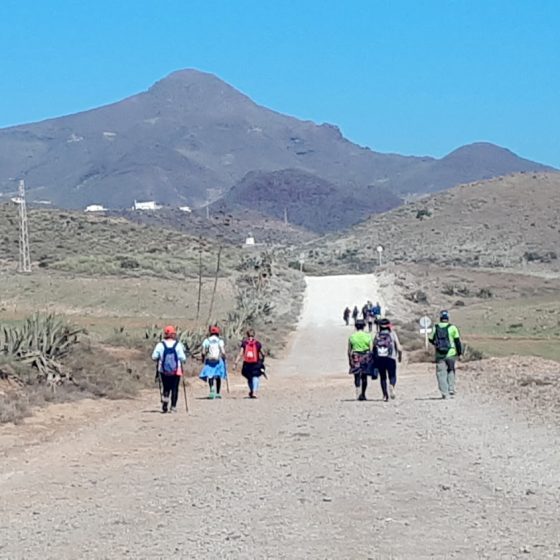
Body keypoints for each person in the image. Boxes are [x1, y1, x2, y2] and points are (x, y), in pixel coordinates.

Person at [151, 325, 188, 413]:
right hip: (176, 370)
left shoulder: (160, 345)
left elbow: (154, 357)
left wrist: (160, 358)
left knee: (166, 387)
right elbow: (183, 358)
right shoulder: (178, 345)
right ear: (173, 334)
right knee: (175, 388)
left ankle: (165, 404)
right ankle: (173, 407)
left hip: (163, 370)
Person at [429, 310, 462, 399]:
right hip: (451, 353)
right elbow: (457, 342)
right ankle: (451, 388)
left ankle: (444, 392)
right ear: (447, 318)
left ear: (440, 318)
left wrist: (437, 345)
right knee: (451, 370)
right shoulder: (453, 328)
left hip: (440, 354)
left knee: (441, 373)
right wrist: (459, 353)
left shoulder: (435, 327)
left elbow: (430, 339)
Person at [372, 318, 402, 402]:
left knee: (383, 377)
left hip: (380, 359)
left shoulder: (377, 335)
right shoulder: (392, 334)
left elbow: (373, 348)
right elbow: (399, 348)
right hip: (391, 358)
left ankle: (385, 395)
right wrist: (399, 357)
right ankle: (392, 385)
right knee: (392, 375)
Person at [234, 328, 265, 398]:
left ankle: (251, 390)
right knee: (256, 377)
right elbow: (263, 353)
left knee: (249, 378)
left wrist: (235, 362)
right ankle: (254, 392)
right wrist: (262, 360)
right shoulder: (257, 344)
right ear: (254, 335)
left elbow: (240, 354)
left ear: (247, 335)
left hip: (247, 364)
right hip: (256, 363)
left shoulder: (244, 343)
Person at [348, 319, 373, 401]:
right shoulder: (368, 336)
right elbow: (371, 349)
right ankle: (363, 394)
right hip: (365, 356)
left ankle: (357, 392)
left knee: (356, 375)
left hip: (355, 356)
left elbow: (349, 350)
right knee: (364, 376)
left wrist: (350, 360)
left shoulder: (352, 336)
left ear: (356, 326)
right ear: (364, 326)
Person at [200, 325, 227, 399]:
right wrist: (224, 357)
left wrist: (203, 358)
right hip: (217, 360)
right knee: (218, 376)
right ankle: (218, 393)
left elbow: (203, 352)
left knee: (210, 375)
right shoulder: (219, 341)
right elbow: (223, 352)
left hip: (209, 360)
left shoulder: (206, 341)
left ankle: (212, 389)